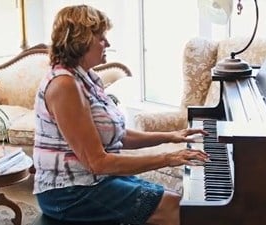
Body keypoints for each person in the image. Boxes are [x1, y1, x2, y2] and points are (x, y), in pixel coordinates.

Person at [32, 4, 209, 225]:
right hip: (69, 193)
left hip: (94, 181)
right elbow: (97, 162)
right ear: (81, 40)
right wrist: (168, 158)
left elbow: (121, 136)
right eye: (101, 37)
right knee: (174, 209)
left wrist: (172, 135)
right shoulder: (64, 85)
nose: (107, 43)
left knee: (178, 202)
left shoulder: (88, 77)